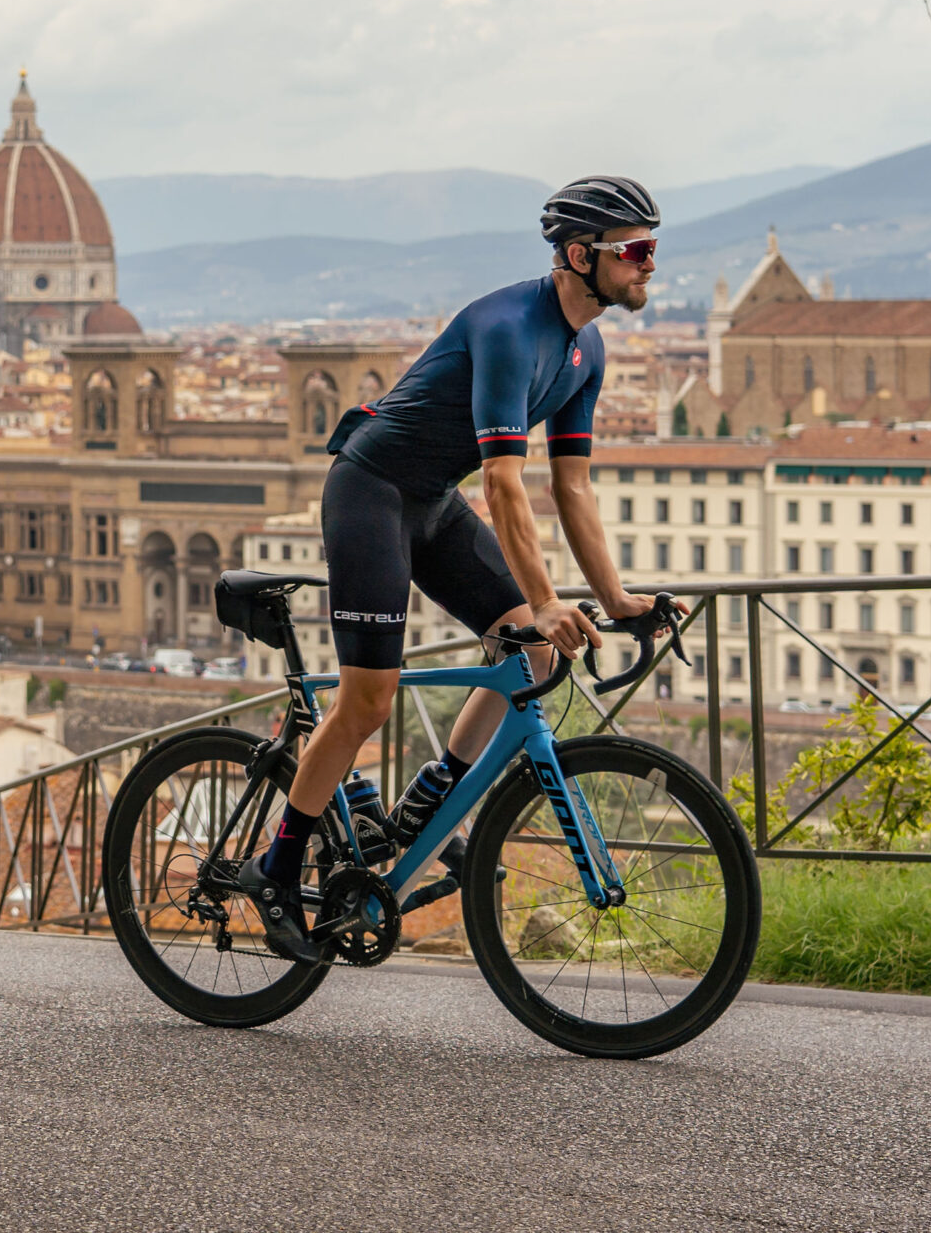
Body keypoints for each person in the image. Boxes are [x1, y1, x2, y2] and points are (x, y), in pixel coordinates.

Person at [234, 174, 663, 962]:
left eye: (653, 248)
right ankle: (277, 866)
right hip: (370, 492)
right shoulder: (508, 327)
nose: (649, 265)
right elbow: (504, 482)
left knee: (533, 653)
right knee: (367, 704)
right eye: (635, 250)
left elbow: (572, 485)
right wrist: (541, 597)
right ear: (579, 254)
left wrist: (618, 598)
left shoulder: (585, 348)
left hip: (431, 502)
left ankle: (434, 808)